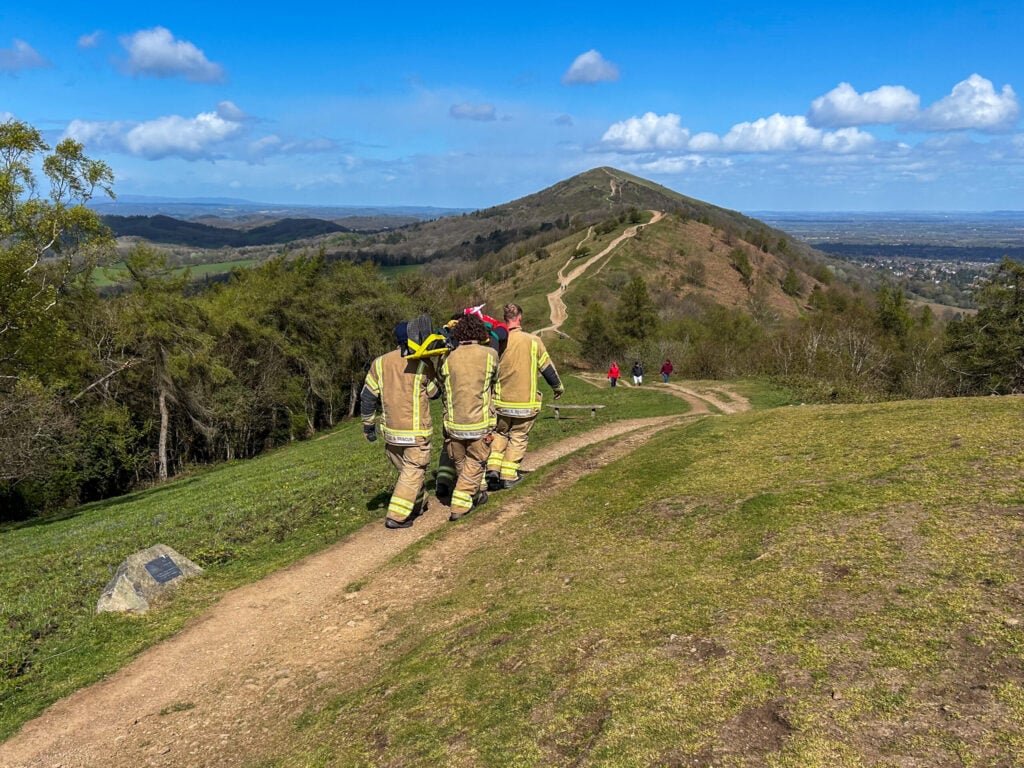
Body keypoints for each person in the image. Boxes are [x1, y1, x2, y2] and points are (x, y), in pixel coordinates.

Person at [360, 322, 440, 529]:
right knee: (414, 470)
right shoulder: (422, 363)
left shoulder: (379, 363)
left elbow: (368, 397)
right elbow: (434, 393)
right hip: (416, 432)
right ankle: (397, 515)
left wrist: (368, 426)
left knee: (408, 472)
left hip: (392, 434)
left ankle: (419, 503)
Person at [485, 303, 564, 491]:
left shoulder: (498, 340)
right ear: (520, 318)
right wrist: (557, 387)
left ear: (505, 318)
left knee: (500, 434)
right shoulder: (533, 341)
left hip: (501, 403)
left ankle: (493, 469)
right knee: (518, 437)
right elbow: (547, 369)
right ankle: (508, 475)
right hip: (525, 404)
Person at [437, 314, 499, 520]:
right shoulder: (490, 355)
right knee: (476, 461)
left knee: (461, 462)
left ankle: (478, 492)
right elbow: (495, 380)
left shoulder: (447, 358)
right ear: (481, 333)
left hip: (453, 424)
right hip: (479, 424)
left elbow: (441, 384)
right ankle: (460, 504)